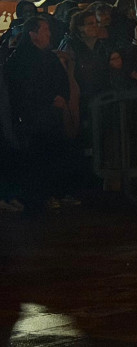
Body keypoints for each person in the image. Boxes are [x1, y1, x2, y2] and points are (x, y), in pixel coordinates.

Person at [5, 16, 77, 211]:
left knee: (57, 155)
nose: (49, 34)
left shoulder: (50, 57)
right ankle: (41, 196)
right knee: (39, 158)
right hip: (33, 118)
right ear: (33, 34)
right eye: (44, 31)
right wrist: (48, 99)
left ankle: (58, 192)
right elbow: (22, 89)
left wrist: (62, 96)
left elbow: (61, 79)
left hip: (53, 116)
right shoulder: (20, 60)